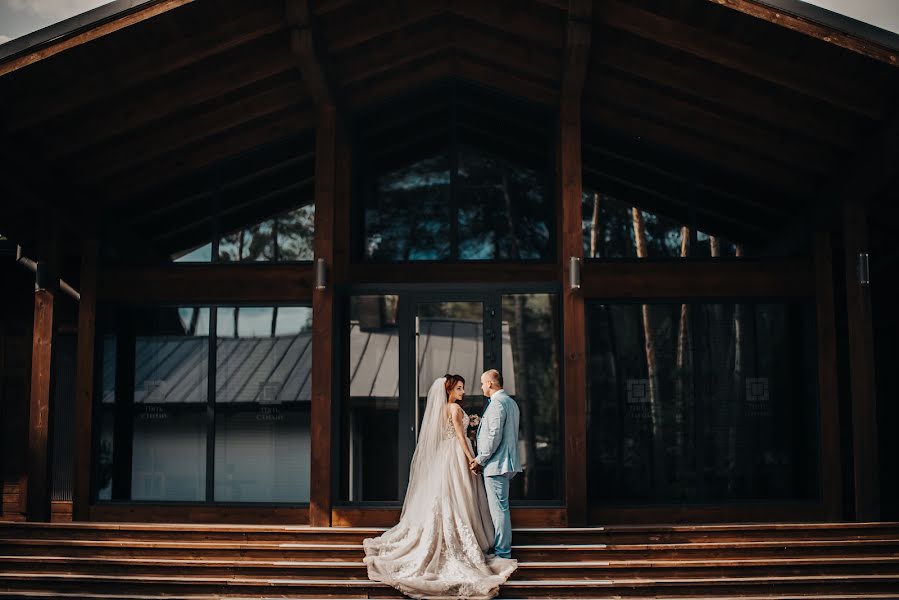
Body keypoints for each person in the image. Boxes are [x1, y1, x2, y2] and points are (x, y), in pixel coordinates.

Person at [363, 374, 517, 599]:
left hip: (444, 456)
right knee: (457, 496)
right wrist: (470, 459)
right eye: (459, 388)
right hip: (456, 455)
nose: (463, 392)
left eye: (462, 388)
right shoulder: (454, 409)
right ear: (449, 391)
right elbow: (460, 438)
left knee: (450, 496)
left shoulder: (447, 408)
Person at [470, 369, 522, 559]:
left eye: (483, 383)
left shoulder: (498, 404)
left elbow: (494, 436)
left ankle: (503, 553)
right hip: (503, 463)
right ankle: (502, 550)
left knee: (499, 510)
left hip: (496, 464)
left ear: (490, 384)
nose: (482, 386)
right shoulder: (511, 402)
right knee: (501, 508)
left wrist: (480, 459)